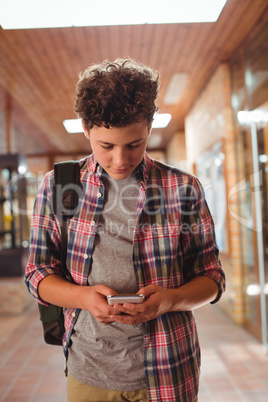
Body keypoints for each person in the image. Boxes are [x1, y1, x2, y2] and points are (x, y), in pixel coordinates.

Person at [25, 58, 226, 402]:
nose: (120, 160)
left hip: (170, 367)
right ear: (86, 130)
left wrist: (171, 300)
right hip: (89, 371)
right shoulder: (59, 184)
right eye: (106, 146)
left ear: (149, 127)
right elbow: (37, 273)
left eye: (134, 144)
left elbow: (212, 278)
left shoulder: (183, 187)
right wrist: (83, 299)